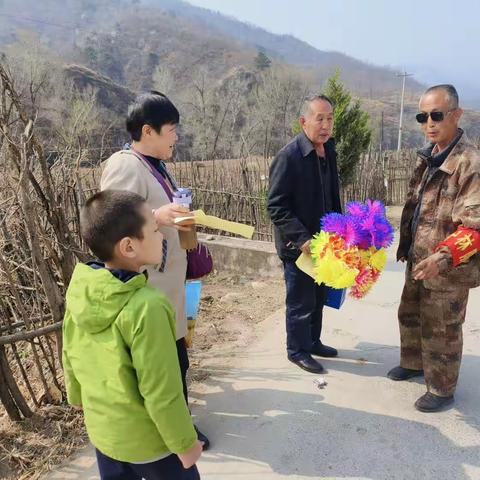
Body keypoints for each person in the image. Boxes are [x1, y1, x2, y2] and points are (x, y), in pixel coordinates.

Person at [62, 190, 203, 479]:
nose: (162, 236)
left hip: (105, 437)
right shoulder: (148, 306)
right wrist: (185, 444)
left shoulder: (82, 288)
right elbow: (161, 391)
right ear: (128, 247)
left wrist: (76, 396)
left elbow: (71, 352)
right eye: (154, 230)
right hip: (150, 444)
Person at [100, 91, 209, 447]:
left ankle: (177, 428)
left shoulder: (155, 165)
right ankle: (173, 437)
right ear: (148, 131)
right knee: (164, 368)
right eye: (171, 130)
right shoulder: (124, 166)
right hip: (148, 292)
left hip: (167, 289)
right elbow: (112, 224)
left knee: (176, 363)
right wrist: (156, 217)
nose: (176, 137)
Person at [389, 84, 480, 412]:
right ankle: (413, 362)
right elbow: (417, 206)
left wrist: (442, 258)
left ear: (456, 115)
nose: (429, 122)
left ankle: (442, 388)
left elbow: (474, 228)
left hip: (447, 267)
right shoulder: (430, 156)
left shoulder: (469, 163)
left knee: (442, 326)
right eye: (423, 116)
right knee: (411, 312)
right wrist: (408, 246)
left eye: (437, 115)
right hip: (419, 257)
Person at [267, 95, 342, 374]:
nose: (325, 125)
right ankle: (296, 350)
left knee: (319, 295)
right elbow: (276, 206)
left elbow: (332, 193)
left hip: (324, 241)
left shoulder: (328, 149)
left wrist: (339, 230)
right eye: (319, 118)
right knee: (300, 300)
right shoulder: (289, 157)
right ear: (303, 122)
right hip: (299, 246)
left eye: (330, 118)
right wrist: (302, 240)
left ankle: (312, 341)